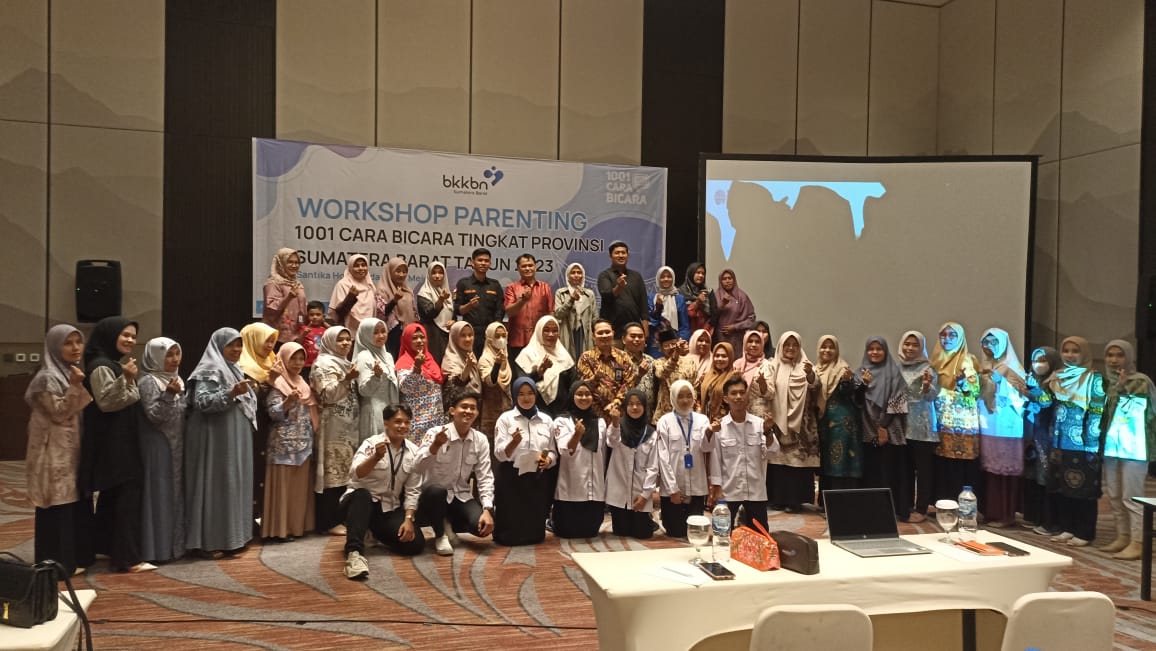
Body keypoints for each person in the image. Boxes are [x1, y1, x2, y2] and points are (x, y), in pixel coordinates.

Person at [80, 316, 151, 572]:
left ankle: (105, 547)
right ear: (110, 335)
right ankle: (128, 559)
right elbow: (107, 402)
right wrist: (129, 379)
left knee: (114, 495)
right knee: (127, 496)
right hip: (114, 444)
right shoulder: (101, 365)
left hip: (116, 441)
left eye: (133, 336)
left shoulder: (110, 363)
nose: (131, 340)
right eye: (125, 335)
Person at [25, 324, 93, 575]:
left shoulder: (69, 372)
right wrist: (75, 386)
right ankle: (55, 564)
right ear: (54, 346)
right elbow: (58, 412)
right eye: (68, 343)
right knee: (55, 505)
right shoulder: (46, 378)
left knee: (70, 505)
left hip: (69, 450)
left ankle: (71, 559)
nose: (75, 348)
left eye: (78, 342)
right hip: (51, 453)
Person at [185, 328, 257, 557]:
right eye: (231, 345)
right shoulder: (209, 370)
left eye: (239, 345)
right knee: (217, 484)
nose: (236, 349)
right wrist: (231, 393)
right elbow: (202, 402)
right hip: (215, 439)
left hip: (233, 436)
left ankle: (234, 537)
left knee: (234, 482)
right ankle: (211, 541)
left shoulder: (235, 369)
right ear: (218, 347)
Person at [342, 404, 425, 580]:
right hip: (358, 504)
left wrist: (408, 519)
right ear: (386, 422)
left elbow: (413, 490)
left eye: (407, 422)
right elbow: (356, 473)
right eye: (398, 422)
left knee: (415, 544)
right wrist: (375, 457)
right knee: (362, 495)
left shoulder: (413, 451)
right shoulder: (372, 444)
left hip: (388, 509)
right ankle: (354, 554)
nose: (403, 426)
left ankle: (374, 532)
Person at [414, 393, 495, 555]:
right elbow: (417, 467)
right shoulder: (435, 432)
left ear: (477, 413)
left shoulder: (480, 439)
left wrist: (487, 509)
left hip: (460, 495)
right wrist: (435, 446)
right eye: (464, 407)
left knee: (482, 528)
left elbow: (485, 476)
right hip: (432, 496)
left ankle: (449, 522)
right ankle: (440, 534)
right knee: (436, 492)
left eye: (473, 408)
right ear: (452, 411)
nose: (468, 411)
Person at [1097, 340, 1155, 560]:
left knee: (1132, 495)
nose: (1114, 360)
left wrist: (1122, 388)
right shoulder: (1107, 383)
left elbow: (1137, 410)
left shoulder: (1140, 381)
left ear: (1129, 357)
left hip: (1134, 446)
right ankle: (1123, 536)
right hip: (1112, 444)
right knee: (1114, 494)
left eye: (1119, 355)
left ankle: (1138, 541)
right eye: (1110, 355)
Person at [1047, 336, 1105, 547]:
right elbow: (1048, 403)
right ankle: (1067, 527)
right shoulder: (1059, 377)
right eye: (1066, 351)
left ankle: (1085, 531)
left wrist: (1091, 443)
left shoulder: (1094, 379)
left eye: (1075, 351)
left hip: (1083, 443)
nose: (1070, 355)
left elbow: (1097, 412)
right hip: (1059, 441)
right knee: (1063, 487)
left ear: (1084, 354)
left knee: (1084, 489)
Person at [705, 376, 780, 532]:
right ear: (726, 398)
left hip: (756, 490)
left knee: (761, 535)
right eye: (734, 393)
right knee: (722, 533)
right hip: (728, 490)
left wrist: (768, 432)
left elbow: (773, 453)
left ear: (748, 396)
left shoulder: (760, 424)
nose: (738, 397)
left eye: (742, 392)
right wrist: (717, 487)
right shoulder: (720, 427)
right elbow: (715, 460)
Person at [138, 337, 187, 563]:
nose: (175, 359)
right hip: (158, 444)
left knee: (175, 493)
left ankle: (175, 546)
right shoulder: (148, 382)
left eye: (177, 354)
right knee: (159, 494)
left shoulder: (177, 379)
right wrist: (168, 395)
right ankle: (157, 549)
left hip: (176, 443)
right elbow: (154, 416)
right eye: (169, 355)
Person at [262, 342, 317, 540]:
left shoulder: (303, 383)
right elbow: (272, 413)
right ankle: (279, 530)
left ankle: (297, 527)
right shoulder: (277, 383)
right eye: (293, 358)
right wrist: (287, 402)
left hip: (303, 444)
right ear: (284, 358)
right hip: (282, 445)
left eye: (301, 359)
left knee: (298, 489)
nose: (298, 363)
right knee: (283, 488)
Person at [493, 378, 557, 546]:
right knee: (510, 527)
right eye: (521, 394)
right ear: (515, 396)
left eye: (530, 393)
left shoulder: (547, 420)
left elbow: (553, 451)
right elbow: (499, 454)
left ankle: (533, 534)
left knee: (535, 528)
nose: (526, 398)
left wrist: (549, 460)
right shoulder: (505, 419)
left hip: (537, 475)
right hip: (511, 475)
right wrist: (513, 443)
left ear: (536, 394)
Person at [310, 326, 360, 536]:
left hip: (349, 426)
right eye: (340, 340)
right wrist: (347, 379)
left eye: (348, 339)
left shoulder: (347, 362)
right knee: (332, 472)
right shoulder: (322, 364)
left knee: (346, 472)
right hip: (332, 426)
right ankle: (328, 521)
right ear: (330, 341)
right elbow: (327, 395)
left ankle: (341, 517)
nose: (346, 343)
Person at [976, 328, 1028, 528]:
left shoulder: (1012, 368)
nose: (989, 346)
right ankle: (990, 511)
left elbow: (1024, 396)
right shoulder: (985, 366)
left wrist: (1003, 384)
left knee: (1004, 472)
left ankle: (1006, 514)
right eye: (986, 342)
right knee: (989, 470)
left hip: (1007, 427)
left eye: (994, 342)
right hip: (988, 425)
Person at [855, 337, 911, 521]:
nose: (875, 352)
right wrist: (864, 384)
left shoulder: (894, 374)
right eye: (871, 349)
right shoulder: (860, 373)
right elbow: (856, 401)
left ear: (885, 351)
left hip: (890, 429)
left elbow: (898, 401)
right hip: (867, 428)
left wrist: (883, 426)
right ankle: (871, 509)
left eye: (879, 349)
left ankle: (890, 510)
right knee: (871, 470)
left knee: (889, 470)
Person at [764, 331, 820, 512]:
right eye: (787, 344)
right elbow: (768, 392)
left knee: (797, 464)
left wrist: (810, 375)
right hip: (778, 423)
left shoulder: (807, 366)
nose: (790, 348)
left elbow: (816, 387)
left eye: (794, 345)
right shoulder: (773, 366)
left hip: (802, 425)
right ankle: (778, 498)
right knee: (778, 462)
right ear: (780, 346)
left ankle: (795, 500)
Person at [930, 322, 982, 504]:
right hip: (940, 419)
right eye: (943, 335)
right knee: (941, 462)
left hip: (961, 423)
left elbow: (975, 391)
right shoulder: (934, 360)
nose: (947, 339)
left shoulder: (967, 360)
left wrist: (962, 384)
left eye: (952, 335)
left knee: (959, 465)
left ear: (960, 338)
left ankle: (961, 505)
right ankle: (942, 503)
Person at [655, 379, 714, 538]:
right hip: (673, 486)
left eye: (689, 396)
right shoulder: (665, 421)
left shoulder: (702, 420)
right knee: (675, 532)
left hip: (696, 485)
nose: (685, 400)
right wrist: (672, 489)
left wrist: (709, 433)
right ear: (673, 398)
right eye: (680, 396)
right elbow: (663, 457)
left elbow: (707, 448)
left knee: (695, 531)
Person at [552, 381, 609, 538]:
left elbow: (603, 454)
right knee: (567, 532)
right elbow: (565, 451)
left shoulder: (600, 422)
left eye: (587, 394)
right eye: (579, 394)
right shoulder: (562, 421)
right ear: (572, 396)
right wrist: (577, 434)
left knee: (590, 532)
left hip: (594, 488)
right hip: (570, 488)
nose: (584, 398)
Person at [239, 322, 280, 528]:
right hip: (248, 427)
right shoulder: (241, 367)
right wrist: (270, 381)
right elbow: (250, 398)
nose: (270, 345)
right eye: (266, 341)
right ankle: (247, 519)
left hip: (269, 426)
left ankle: (263, 517)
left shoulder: (273, 362)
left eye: (273, 341)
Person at [605, 390, 659, 539]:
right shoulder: (617, 427)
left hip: (639, 492)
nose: (634, 408)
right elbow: (611, 442)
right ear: (625, 407)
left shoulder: (651, 433)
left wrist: (645, 495)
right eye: (630, 404)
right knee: (621, 533)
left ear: (645, 407)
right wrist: (615, 423)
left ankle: (649, 521)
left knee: (643, 534)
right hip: (619, 493)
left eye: (638, 404)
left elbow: (653, 467)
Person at [896, 331, 937, 521]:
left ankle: (921, 509)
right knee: (905, 469)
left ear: (921, 347)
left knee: (923, 470)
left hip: (922, 427)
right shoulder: (898, 368)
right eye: (907, 344)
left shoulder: (928, 368)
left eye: (915, 345)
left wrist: (927, 387)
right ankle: (906, 506)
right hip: (902, 425)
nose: (910, 348)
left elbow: (932, 396)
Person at [814, 335, 862, 495]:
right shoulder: (815, 370)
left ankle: (840, 499)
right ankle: (825, 500)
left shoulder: (843, 369)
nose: (827, 350)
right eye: (824, 346)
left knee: (840, 462)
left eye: (831, 347)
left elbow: (851, 394)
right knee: (826, 462)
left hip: (842, 425)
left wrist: (846, 382)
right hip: (824, 423)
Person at [1023, 346, 1061, 536]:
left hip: (1050, 435)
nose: (1038, 364)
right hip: (1036, 433)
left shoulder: (1055, 381)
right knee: (1035, 475)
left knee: (1048, 476)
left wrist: (1034, 391)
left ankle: (1051, 522)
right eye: (1035, 360)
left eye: (1043, 360)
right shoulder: (1033, 379)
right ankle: (1036, 517)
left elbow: (1047, 402)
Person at [395, 323, 446, 443]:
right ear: (407, 340)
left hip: (435, 419)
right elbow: (405, 388)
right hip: (417, 424)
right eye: (414, 338)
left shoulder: (430, 359)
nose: (419, 341)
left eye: (422, 337)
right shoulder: (404, 362)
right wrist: (416, 368)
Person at [576, 319, 636, 418]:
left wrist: (616, 403)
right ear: (593, 336)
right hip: (593, 415)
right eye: (600, 333)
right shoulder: (586, 358)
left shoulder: (623, 357)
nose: (604, 336)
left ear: (613, 333)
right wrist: (595, 378)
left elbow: (628, 384)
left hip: (619, 413)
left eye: (607, 332)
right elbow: (584, 387)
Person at [353, 317, 399, 442]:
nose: (381, 336)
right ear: (366, 334)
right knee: (376, 446)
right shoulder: (364, 357)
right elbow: (364, 390)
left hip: (390, 408)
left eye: (383, 331)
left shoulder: (388, 356)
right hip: (374, 410)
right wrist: (376, 377)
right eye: (375, 332)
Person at [453, 248, 504, 356]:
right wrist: (469, 306)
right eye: (480, 260)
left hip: (490, 334)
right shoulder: (463, 283)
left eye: (486, 261)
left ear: (490, 264)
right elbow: (457, 310)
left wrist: (496, 329)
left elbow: (500, 310)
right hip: (469, 334)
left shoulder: (495, 285)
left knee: (489, 363)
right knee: (470, 363)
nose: (483, 263)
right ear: (472, 263)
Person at [504, 253, 555, 361]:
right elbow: (509, 312)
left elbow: (551, 314)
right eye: (524, 266)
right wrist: (522, 301)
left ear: (535, 267)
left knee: (540, 371)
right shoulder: (511, 288)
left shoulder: (545, 288)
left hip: (540, 341)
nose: (527, 268)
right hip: (517, 341)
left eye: (530, 265)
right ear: (518, 268)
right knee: (517, 372)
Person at [597, 241, 648, 338]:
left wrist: (645, 330)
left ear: (627, 256)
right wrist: (619, 286)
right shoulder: (604, 275)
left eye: (623, 253)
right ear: (610, 256)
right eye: (617, 253)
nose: (620, 255)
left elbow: (643, 304)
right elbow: (607, 296)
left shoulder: (636, 276)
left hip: (634, 331)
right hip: (612, 331)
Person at [262, 248, 307, 346]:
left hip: (297, 336)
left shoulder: (297, 284)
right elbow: (270, 309)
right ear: (281, 263)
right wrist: (288, 297)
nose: (294, 265)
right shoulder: (273, 283)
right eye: (290, 262)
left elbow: (302, 309)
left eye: (297, 262)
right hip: (278, 338)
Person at [652, 330, 697, 424]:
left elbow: (694, 386)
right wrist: (675, 355)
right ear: (661, 348)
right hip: (665, 411)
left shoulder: (689, 362)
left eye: (673, 344)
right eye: (666, 345)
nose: (671, 347)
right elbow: (661, 374)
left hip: (686, 408)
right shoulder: (658, 362)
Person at [375, 256, 417, 359]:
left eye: (404, 272)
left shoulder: (408, 290)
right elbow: (381, 313)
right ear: (390, 271)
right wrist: (395, 300)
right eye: (398, 271)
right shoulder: (382, 290)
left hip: (407, 333)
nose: (401, 274)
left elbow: (414, 312)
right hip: (391, 334)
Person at [478, 322, 513, 440]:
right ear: (489, 338)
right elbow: (489, 382)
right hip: (490, 411)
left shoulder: (505, 357)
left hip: (506, 408)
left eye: (504, 336)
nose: (501, 339)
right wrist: (496, 365)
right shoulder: (485, 359)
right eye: (497, 336)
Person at [554, 262, 596, 360]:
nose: (576, 275)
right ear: (568, 276)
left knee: (585, 360)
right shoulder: (561, 293)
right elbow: (558, 315)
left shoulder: (589, 294)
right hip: (567, 332)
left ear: (583, 275)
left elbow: (594, 317)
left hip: (584, 333)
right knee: (568, 360)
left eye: (579, 272)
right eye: (573, 273)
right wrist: (571, 300)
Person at [416, 260, 454, 364]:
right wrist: (440, 300)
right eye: (434, 273)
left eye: (440, 273)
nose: (437, 276)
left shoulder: (447, 292)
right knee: (434, 363)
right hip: (432, 334)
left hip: (446, 334)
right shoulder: (424, 293)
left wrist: (453, 322)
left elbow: (451, 313)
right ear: (429, 275)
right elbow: (428, 314)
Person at [441, 321, 483, 414]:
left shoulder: (470, 354)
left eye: (470, 335)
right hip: (458, 412)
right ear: (454, 337)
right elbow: (455, 385)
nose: (468, 339)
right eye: (463, 335)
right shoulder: (451, 359)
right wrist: (467, 367)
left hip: (474, 407)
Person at [647, 266, 689, 357]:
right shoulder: (651, 298)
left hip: (675, 342)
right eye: (662, 277)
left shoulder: (679, 298)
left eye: (669, 276)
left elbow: (684, 325)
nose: (666, 279)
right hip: (655, 343)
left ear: (673, 278)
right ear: (658, 279)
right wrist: (658, 306)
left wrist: (681, 342)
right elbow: (651, 322)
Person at [328, 253, 376, 333]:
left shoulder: (370, 286)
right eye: (356, 266)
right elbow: (338, 313)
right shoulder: (343, 285)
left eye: (363, 265)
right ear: (350, 268)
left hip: (368, 331)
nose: (361, 268)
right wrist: (350, 297)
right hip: (348, 333)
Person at [714, 269, 755, 352]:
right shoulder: (716, 296)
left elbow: (751, 319)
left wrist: (735, 327)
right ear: (720, 281)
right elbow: (711, 317)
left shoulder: (742, 297)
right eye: (724, 279)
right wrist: (722, 304)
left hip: (738, 338)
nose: (727, 281)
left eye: (730, 278)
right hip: (720, 337)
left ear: (734, 280)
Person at [735, 330, 771, 422]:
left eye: (757, 342)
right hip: (738, 412)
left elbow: (771, 395)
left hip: (758, 415)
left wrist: (762, 384)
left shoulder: (767, 365)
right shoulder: (737, 364)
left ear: (762, 344)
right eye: (750, 341)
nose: (753, 345)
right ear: (744, 343)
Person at [622, 322, 656, 416]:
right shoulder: (617, 361)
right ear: (623, 339)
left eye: (640, 336)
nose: (637, 339)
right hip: (625, 414)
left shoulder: (650, 360)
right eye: (633, 336)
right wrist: (638, 376)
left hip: (648, 414)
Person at [699, 342, 736, 423]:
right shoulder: (708, 375)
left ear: (730, 357)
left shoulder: (734, 377)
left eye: (724, 356)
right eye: (717, 355)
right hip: (707, 418)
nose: (720, 359)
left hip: (726, 420)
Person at [679, 261, 717, 335]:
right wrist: (697, 302)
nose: (701, 275)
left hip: (705, 333)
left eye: (703, 273)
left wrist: (703, 332)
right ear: (691, 273)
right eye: (698, 272)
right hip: (686, 333)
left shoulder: (709, 292)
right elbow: (682, 315)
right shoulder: (681, 292)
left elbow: (714, 315)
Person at [298, 301, 327, 382]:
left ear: (323, 316)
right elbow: (298, 343)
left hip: (320, 364)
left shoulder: (325, 330)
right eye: (311, 315)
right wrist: (304, 334)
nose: (314, 317)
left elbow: (334, 333)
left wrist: (324, 322)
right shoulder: (303, 329)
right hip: (306, 365)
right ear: (307, 316)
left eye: (318, 314)